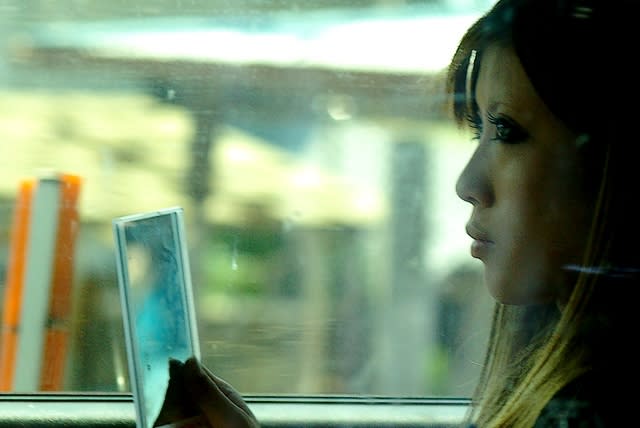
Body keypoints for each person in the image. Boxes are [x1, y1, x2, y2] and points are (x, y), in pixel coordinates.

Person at [156, 0, 640, 426]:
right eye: (480, 133)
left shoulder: (588, 408)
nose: (467, 185)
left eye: (508, 132)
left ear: (613, 166)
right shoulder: (567, 393)